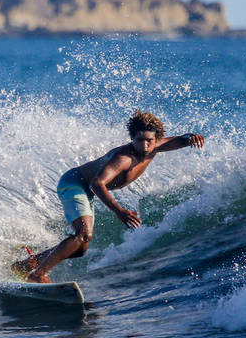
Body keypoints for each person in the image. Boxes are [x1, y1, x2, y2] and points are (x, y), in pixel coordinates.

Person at [13, 110, 205, 283]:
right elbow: (97, 183)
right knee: (83, 235)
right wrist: (119, 211)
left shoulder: (155, 145)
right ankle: (37, 275)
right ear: (132, 139)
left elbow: (179, 139)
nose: (145, 146)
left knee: (80, 248)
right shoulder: (124, 158)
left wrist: (191, 138)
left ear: (157, 140)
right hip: (74, 183)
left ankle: (25, 265)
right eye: (140, 140)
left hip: (84, 188)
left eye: (150, 141)